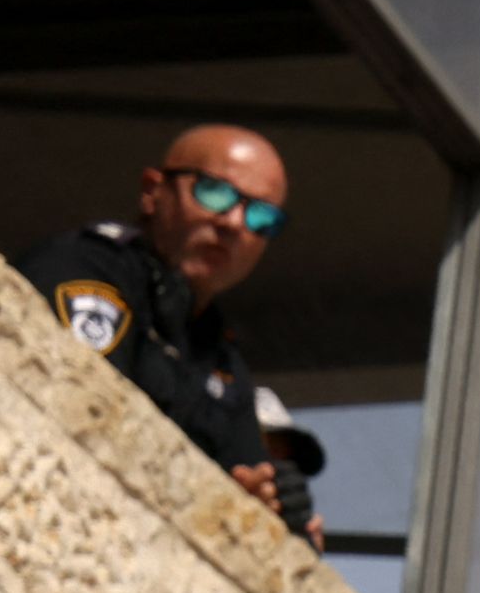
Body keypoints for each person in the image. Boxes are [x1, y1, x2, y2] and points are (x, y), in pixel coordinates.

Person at [19, 123, 316, 541]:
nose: (234, 222)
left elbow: (245, 484)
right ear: (152, 191)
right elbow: (81, 415)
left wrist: (265, 503)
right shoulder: (90, 267)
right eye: (215, 192)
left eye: (262, 217)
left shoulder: (224, 362)